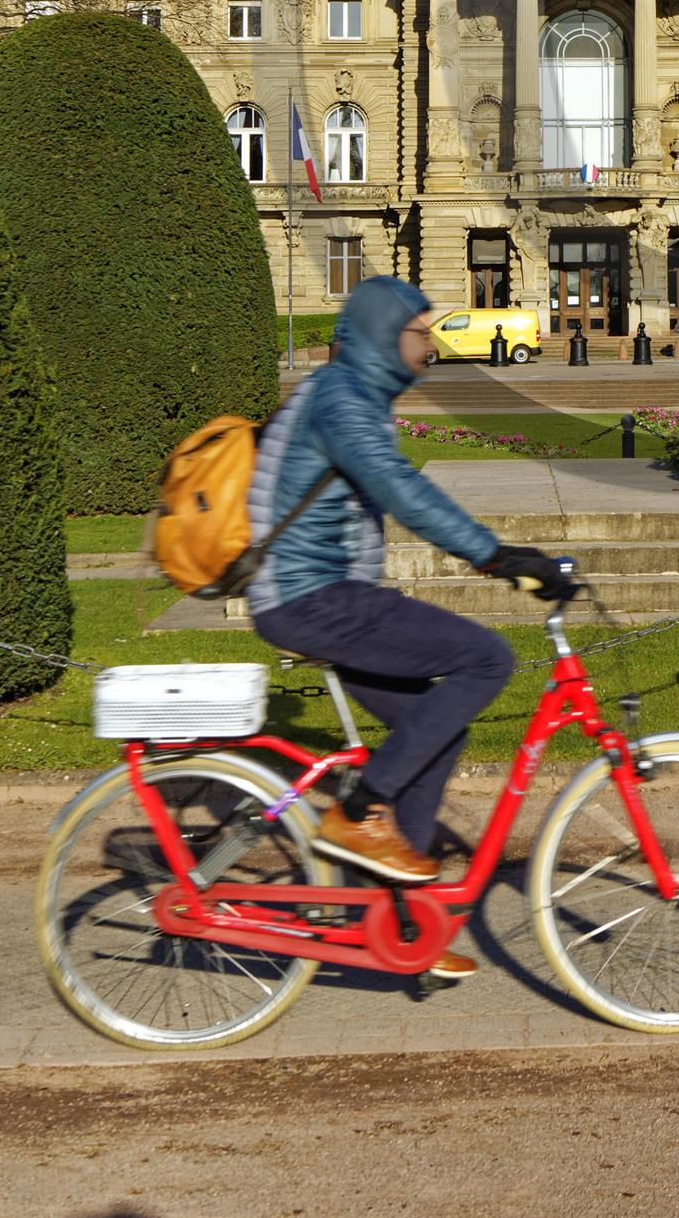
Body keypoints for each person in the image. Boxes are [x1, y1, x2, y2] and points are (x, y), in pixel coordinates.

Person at [246, 274, 567, 968]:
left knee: (437, 729)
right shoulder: (341, 398)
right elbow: (400, 488)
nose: (431, 344)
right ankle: (357, 813)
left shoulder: (349, 393)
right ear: (382, 335)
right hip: (312, 596)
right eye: (420, 332)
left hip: (323, 595)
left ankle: (403, 926)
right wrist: (496, 555)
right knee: (487, 658)